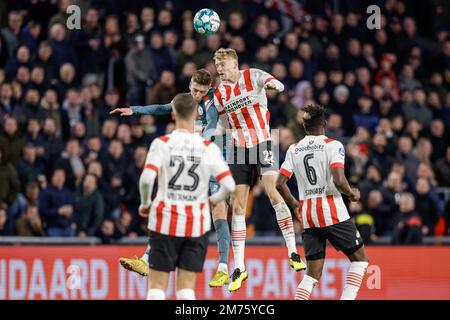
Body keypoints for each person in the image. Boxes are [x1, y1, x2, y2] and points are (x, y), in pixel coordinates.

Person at [111, 69, 233, 287]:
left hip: (212, 159)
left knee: (219, 209)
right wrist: (135, 110)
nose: (197, 95)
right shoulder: (185, 102)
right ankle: (147, 259)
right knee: (171, 202)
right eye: (195, 90)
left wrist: (198, 141)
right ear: (190, 84)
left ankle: (224, 266)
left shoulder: (212, 101)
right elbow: (162, 108)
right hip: (194, 160)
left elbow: (212, 128)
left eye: (201, 91)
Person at [213, 48, 306, 292]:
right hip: (237, 148)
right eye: (216, 65)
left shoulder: (253, 75)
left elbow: (278, 84)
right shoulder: (219, 93)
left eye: (223, 65)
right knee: (238, 206)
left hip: (264, 141)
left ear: (235, 64)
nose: (219, 69)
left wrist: (275, 85)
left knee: (273, 191)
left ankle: (293, 251)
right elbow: (223, 124)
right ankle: (239, 267)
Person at [141, 93, 235, 300]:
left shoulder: (162, 143)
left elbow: (147, 179)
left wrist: (145, 203)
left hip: (165, 220)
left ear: (173, 114)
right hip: (196, 224)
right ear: (196, 114)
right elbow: (229, 184)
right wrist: (214, 199)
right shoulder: (208, 147)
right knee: (186, 289)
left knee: (157, 286)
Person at [276, 104, 369, 300]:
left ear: (304, 125)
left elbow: (279, 183)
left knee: (312, 274)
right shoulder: (333, 145)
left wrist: (294, 205)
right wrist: (352, 194)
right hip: (332, 212)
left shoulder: (294, 149)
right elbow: (339, 180)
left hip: (308, 216)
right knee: (360, 261)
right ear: (325, 123)